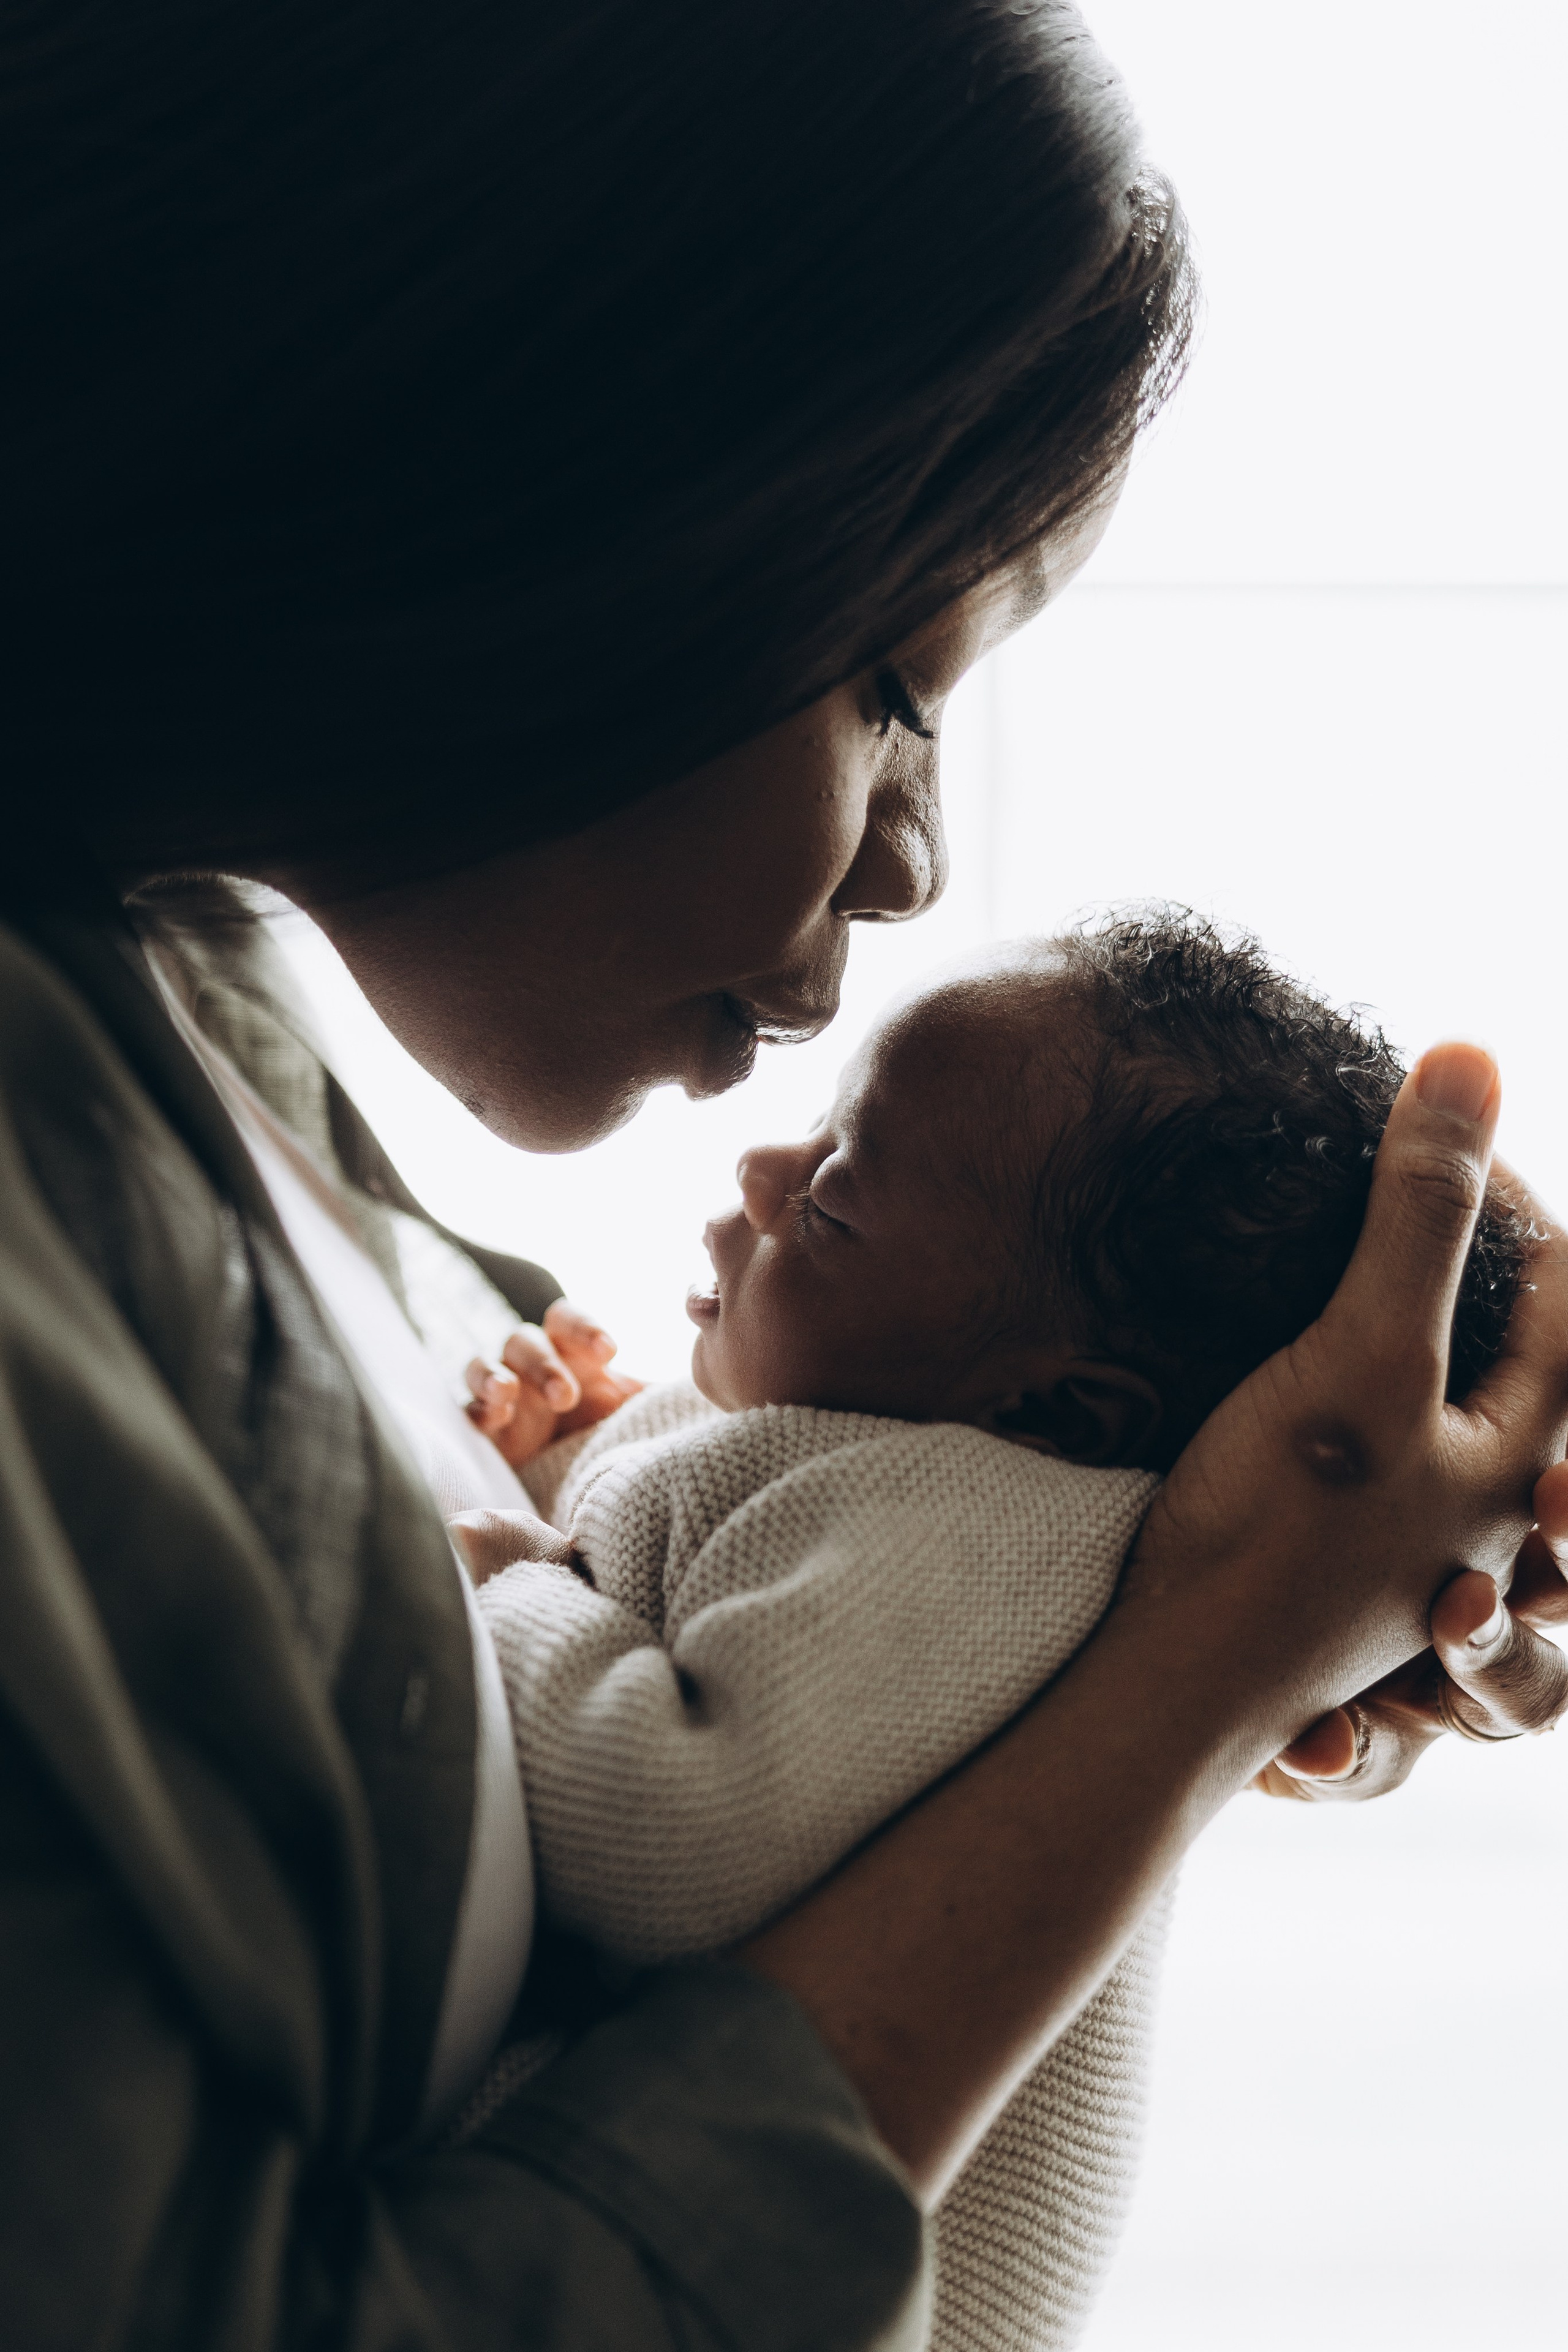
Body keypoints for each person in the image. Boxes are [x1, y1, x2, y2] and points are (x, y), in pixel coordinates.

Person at [2, 4, 1565, 2347]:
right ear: (562, 494)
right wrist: (1186, 1682)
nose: (919, 865)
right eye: (899, 688)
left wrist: (1228, 1597)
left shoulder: (196, 1004)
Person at [460, 913, 1531, 2352]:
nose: (762, 1172)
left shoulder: (970, 1517)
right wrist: (573, 1464)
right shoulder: (946, 1465)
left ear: (1052, 1411)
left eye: (832, 1203)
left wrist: (509, 1581)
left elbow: (669, 1836)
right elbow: (696, 1556)